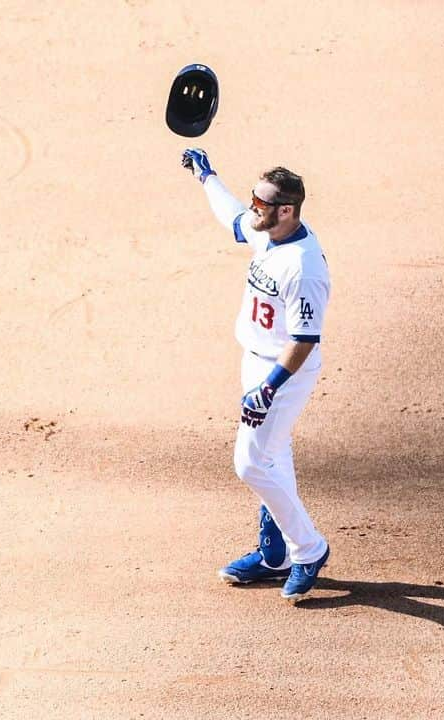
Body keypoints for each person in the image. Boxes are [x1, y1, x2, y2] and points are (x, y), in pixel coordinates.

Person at [181, 148, 331, 601]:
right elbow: (231, 216)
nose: (253, 208)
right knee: (272, 452)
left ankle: (309, 548)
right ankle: (276, 556)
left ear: (287, 211)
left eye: (261, 203)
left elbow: (303, 341)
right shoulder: (268, 232)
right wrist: (206, 175)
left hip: (284, 373)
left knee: (248, 464)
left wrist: (268, 389)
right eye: (253, 198)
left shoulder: (303, 268)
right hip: (255, 358)